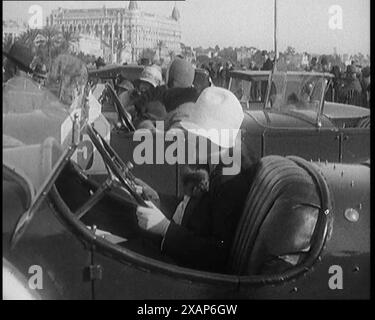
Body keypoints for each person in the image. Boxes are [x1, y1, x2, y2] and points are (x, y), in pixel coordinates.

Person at [136, 87, 255, 273]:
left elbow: (218, 252)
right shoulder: (216, 163)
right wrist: (158, 198)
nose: (190, 138)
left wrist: (166, 229)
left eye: (197, 134)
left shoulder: (232, 182)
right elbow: (195, 211)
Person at [133, 57, 199, 129]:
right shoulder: (198, 104)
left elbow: (164, 127)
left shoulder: (159, 101)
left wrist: (146, 124)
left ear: (171, 81)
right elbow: (165, 124)